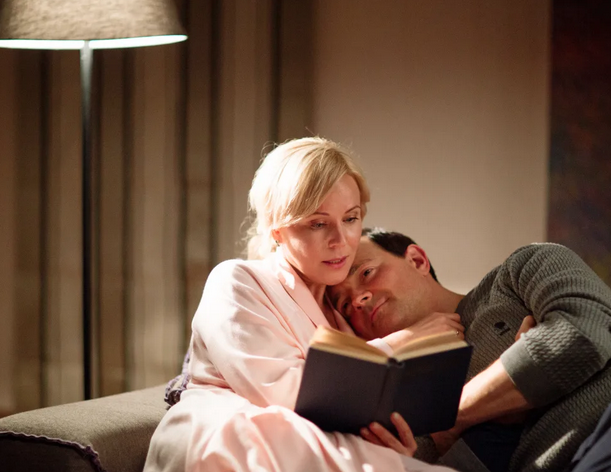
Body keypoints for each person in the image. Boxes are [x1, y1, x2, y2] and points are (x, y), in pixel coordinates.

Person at [144, 139, 457, 472]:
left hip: (315, 445)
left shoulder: (342, 315)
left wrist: (389, 441)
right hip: (236, 439)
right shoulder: (237, 280)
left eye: (351, 219)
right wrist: (402, 342)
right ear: (277, 231)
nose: (341, 240)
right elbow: (284, 393)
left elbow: (355, 412)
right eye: (318, 223)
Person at [328, 228, 611, 472]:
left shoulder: (521, 269)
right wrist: (519, 373)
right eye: (344, 305)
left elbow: (584, 333)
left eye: (367, 272)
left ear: (417, 260)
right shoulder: (401, 410)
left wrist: (451, 419)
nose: (358, 299)